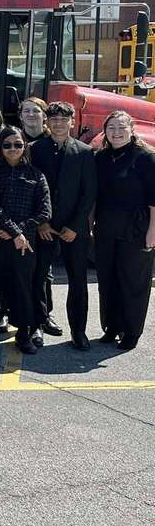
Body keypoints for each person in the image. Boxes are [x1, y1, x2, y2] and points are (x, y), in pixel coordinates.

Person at [0, 126, 52, 355]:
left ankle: (22, 333)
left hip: (24, 244)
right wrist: (13, 231)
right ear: (0, 147)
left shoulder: (36, 175)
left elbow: (45, 212)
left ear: (25, 146)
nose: (13, 149)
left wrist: (17, 232)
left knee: (23, 288)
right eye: (7, 145)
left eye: (18, 145)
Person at [31, 102, 96, 350]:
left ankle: (78, 331)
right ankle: (37, 324)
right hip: (43, 226)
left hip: (73, 228)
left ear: (72, 122)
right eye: (53, 119)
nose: (58, 123)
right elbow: (31, 188)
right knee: (37, 277)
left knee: (77, 279)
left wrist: (76, 226)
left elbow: (89, 193)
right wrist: (41, 222)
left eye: (63, 119)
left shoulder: (85, 152)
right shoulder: (35, 149)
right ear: (47, 122)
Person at [93, 111, 155, 351]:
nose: (116, 132)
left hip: (137, 228)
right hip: (106, 227)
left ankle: (131, 331)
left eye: (121, 127)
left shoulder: (146, 158)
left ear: (132, 129)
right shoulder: (101, 157)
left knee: (133, 283)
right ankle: (112, 326)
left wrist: (152, 233)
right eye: (111, 128)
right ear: (105, 131)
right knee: (108, 280)